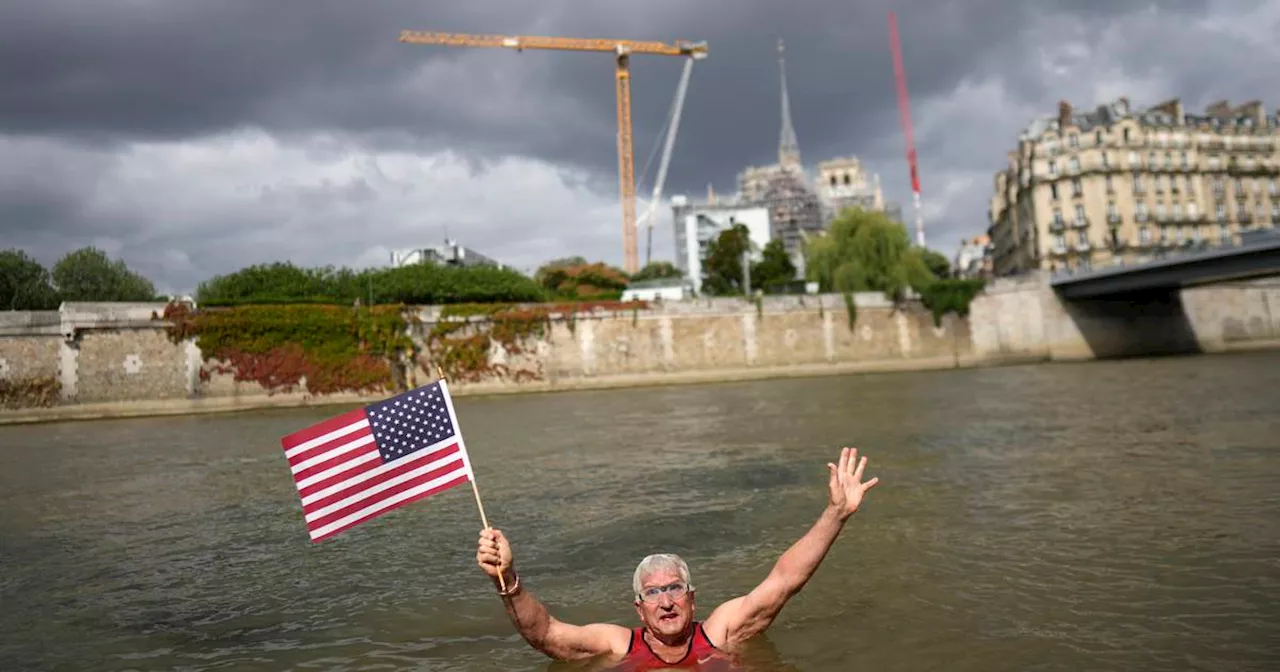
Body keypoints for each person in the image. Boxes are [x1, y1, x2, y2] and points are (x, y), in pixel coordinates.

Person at [476, 446, 880, 669]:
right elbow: (546, 635)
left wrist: (835, 514)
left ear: (692, 598)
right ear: (638, 608)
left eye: (674, 589)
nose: (665, 601)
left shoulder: (721, 633)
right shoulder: (617, 646)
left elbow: (784, 581)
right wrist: (507, 580)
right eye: (653, 593)